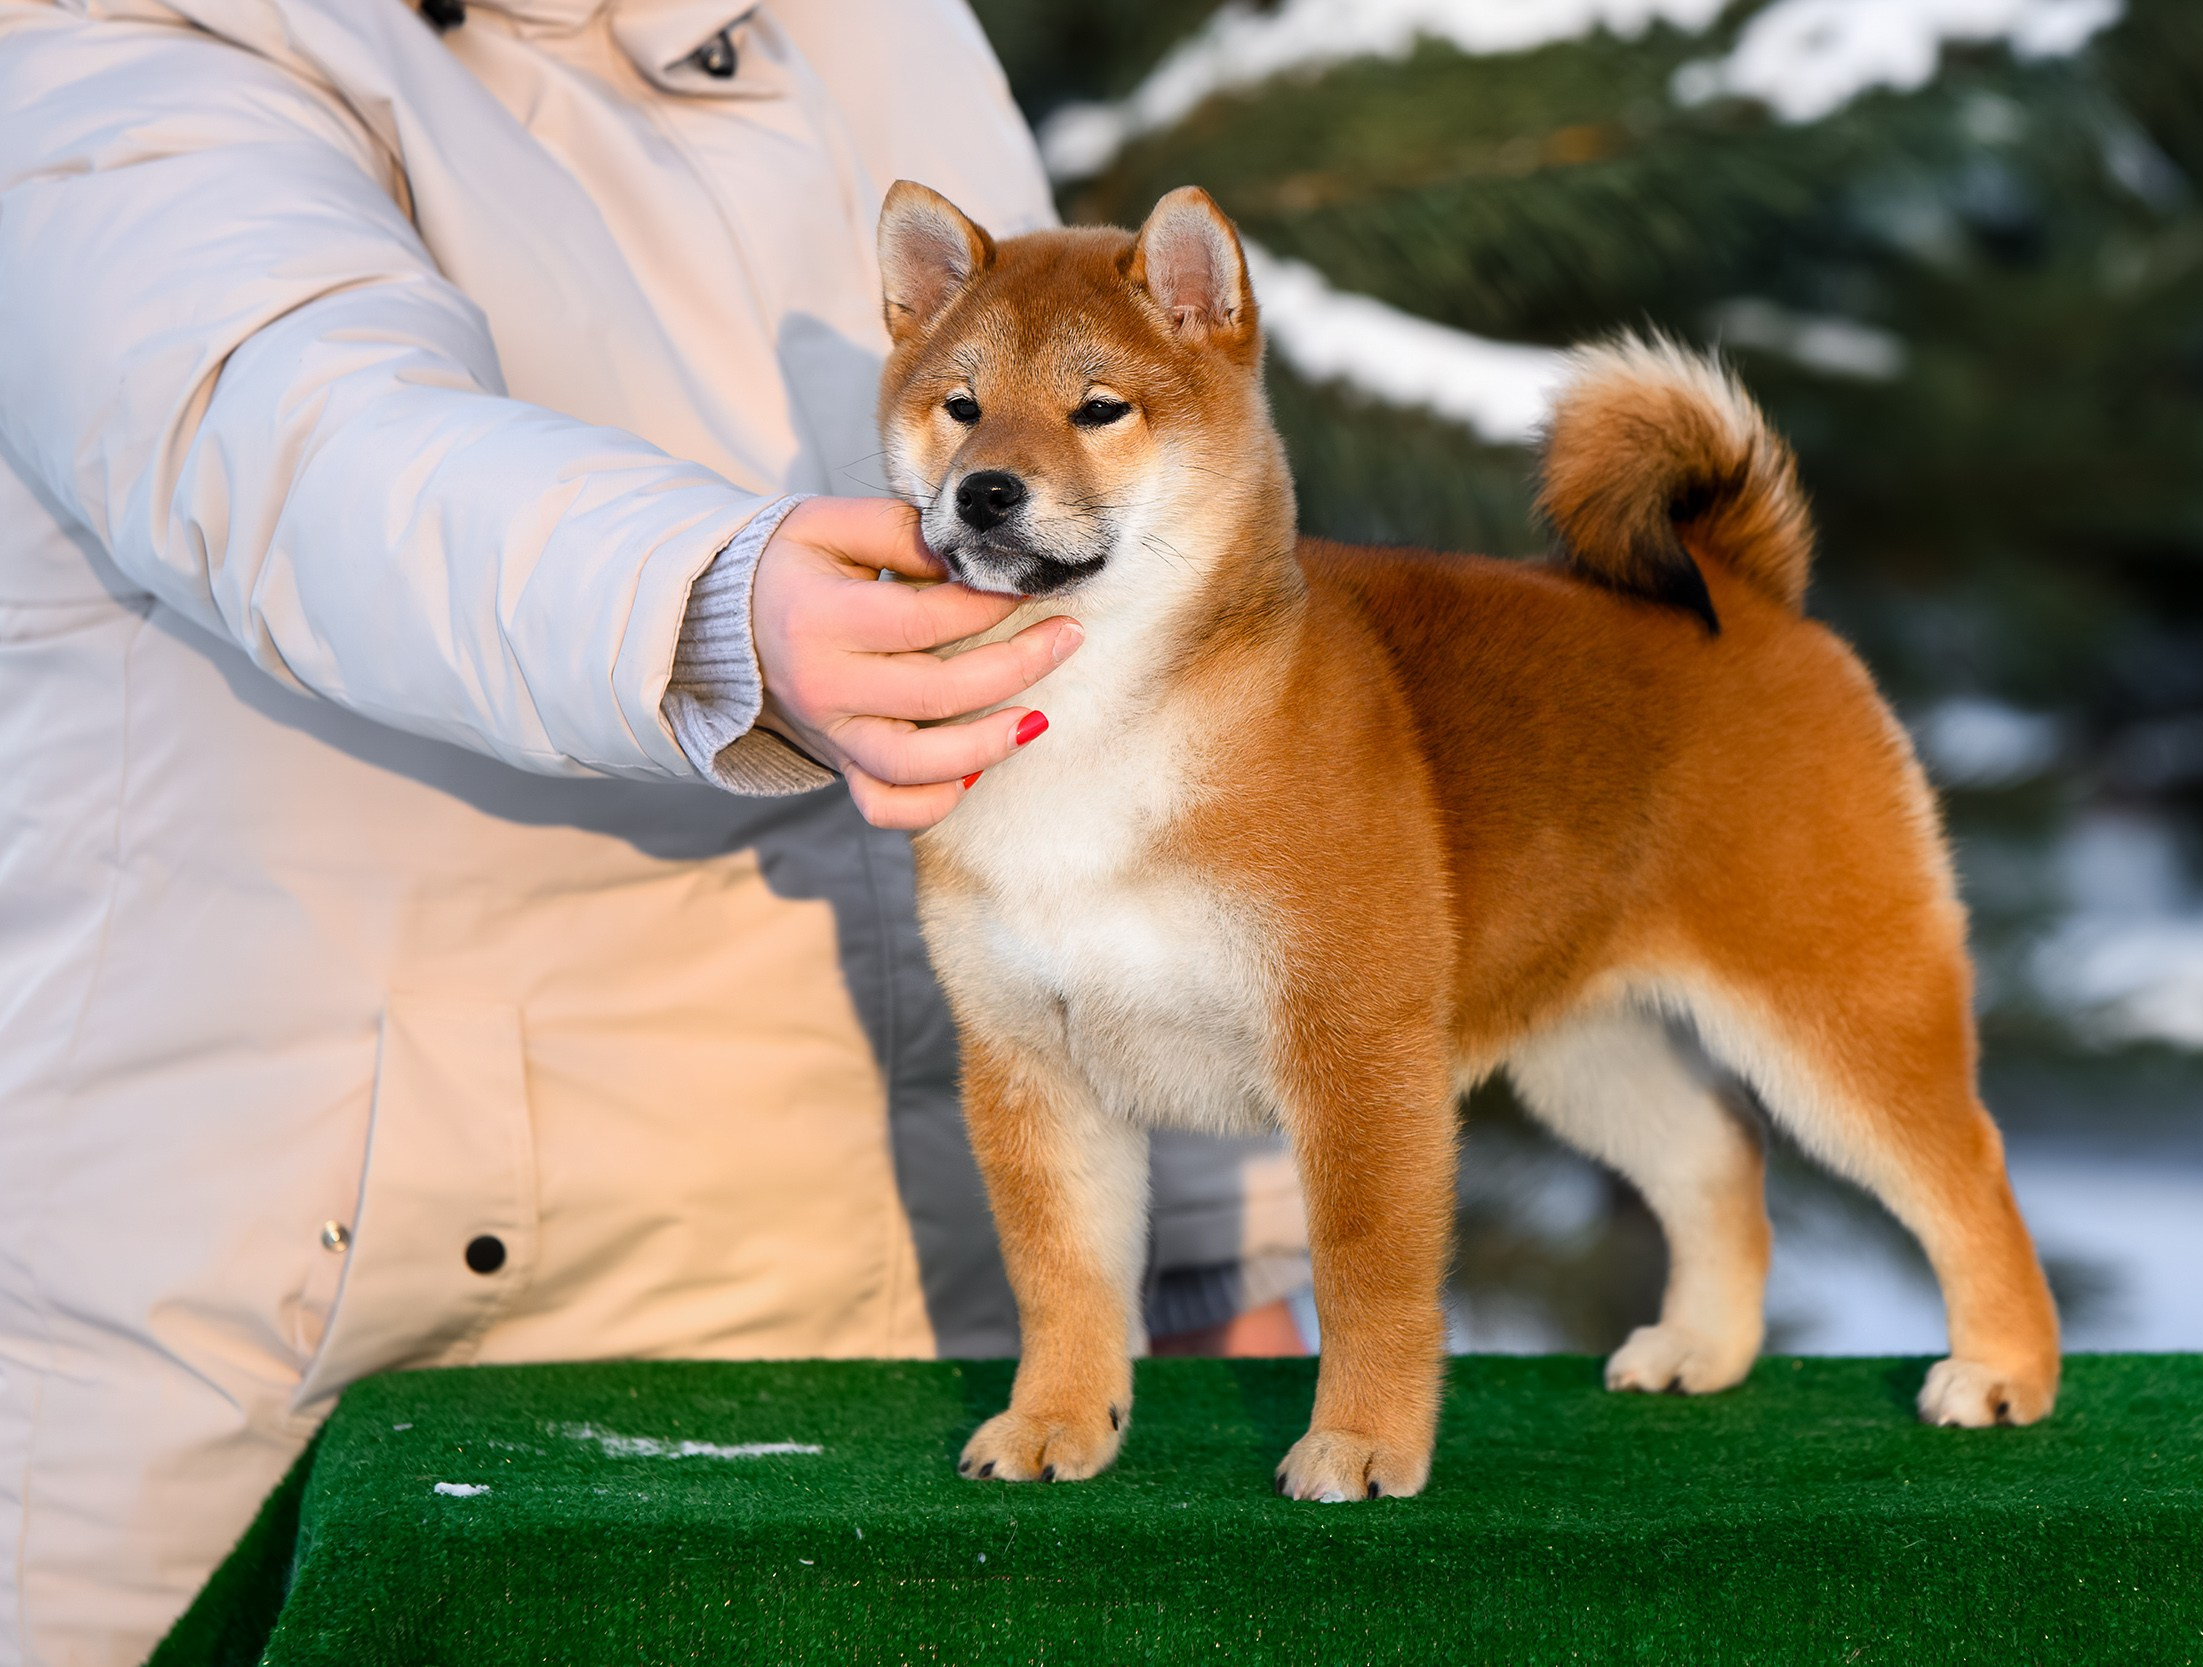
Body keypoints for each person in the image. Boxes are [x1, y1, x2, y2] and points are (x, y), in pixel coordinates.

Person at [0, 0, 1309, 1659]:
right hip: (380, 1355)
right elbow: (291, 440)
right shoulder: (128, 48)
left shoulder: (872, 30)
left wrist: (1203, 1240)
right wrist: (712, 610)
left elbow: (1135, 574)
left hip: (936, 1329)